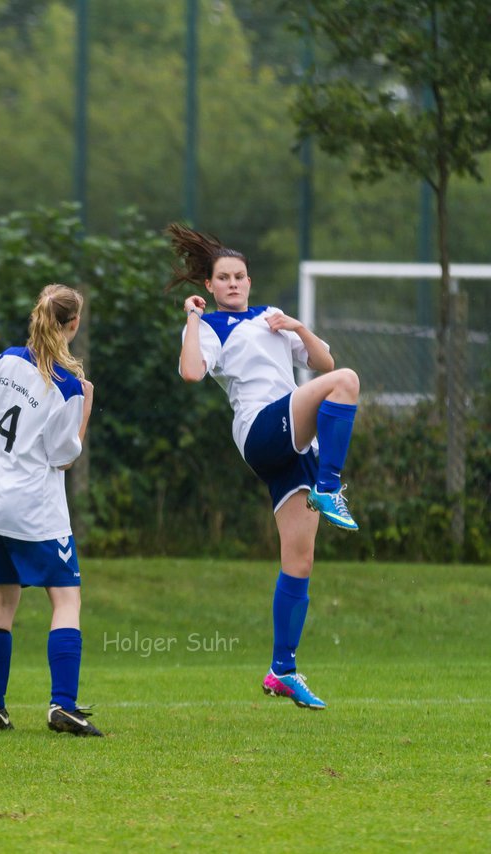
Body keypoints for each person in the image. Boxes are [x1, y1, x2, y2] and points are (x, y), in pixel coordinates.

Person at [169, 223, 360, 711]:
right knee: (348, 381)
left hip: (291, 444)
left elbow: (322, 359)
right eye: (223, 278)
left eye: (240, 276)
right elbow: (191, 372)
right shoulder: (211, 326)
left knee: (300, 561)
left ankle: (282, 670)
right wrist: (192, 320)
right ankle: (330, 486)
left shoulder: (270, 318)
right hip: (261, 429)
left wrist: (297, 327)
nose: (233, 283)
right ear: (209, 287)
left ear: (249, 282)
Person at [0, 285, 102, 737]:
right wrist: (84, 404)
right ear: (72, 324)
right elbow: (64, 457)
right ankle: (62, 705)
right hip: (33, 505)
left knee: (3, 598)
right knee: (66, 598)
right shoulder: (67, 388)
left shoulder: (7, 359)